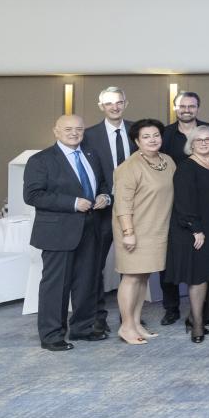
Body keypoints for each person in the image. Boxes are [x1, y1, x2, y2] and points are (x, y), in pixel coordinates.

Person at [24, 114, 110, 351]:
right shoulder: (40, 160)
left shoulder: (92, 155)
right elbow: (33, 195)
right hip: (58, 232)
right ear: (56, 131)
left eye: (79, 129)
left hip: (91, 229)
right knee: (56, 286)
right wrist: (72, 203)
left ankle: (83, 328)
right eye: (68, 129)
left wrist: (105, 196)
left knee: (87, 282)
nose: (74, 133)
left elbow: (102, 184)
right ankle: (52, 335)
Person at [112, 118, 175, 345]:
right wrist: (128, 232)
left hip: (157, 229)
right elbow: (122, 203)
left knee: (143, 277)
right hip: (135, 230)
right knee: (131, 277)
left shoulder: (167, 161)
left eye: (156, 135)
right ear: (137, 141)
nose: (152, 140)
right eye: (146, 137)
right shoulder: (129, 167)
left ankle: (136, 322)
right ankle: (126, 326)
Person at [165, 125, 209, 344]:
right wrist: (196, 229)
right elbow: (183, 202)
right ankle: (197, 324)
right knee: (198, 277)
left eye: (208, 139)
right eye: (198, 140)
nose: (203, 143)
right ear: (191, 144)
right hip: (194, 229)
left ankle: (194, 317)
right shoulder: (186, 167)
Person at [81, 86, 134, 335]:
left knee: (133, 267)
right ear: (101, 106)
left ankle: (130, 317)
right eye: (109, 103)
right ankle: (97, 317)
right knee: (95, 266)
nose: (115, 107)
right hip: (102, 209)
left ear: (125, 104)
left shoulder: (137, 131)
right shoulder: (88, 135)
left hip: (134, 209)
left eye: (119, 102)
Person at [158, 91, 209, 325]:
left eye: (191, 106)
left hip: (206, 205)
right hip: (171, 203)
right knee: (170, 257)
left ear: (198, 108)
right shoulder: (164, 134)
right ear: (175, 108)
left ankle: (205, 306)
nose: (187, 110)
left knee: (206, 256)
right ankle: (171, 307)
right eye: (182, 106)